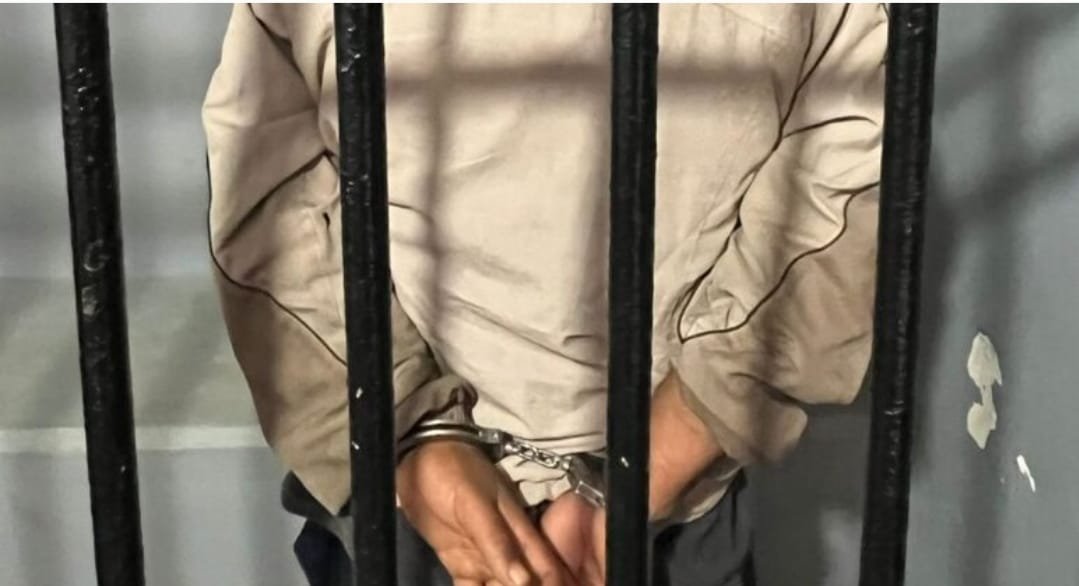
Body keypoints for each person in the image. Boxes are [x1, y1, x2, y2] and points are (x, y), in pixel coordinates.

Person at [202, 4, 887, 585]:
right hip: (446, 491)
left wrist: (404, 432)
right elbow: (844, 188)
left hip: (444, 484)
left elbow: (267, 183)